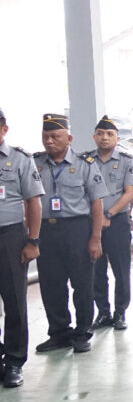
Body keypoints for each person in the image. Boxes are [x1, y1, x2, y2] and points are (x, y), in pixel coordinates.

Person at [33, 113, 104, 354]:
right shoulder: (36, 163)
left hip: (77, 229)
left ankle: (82, 332)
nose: (49, 141)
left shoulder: (85, 164)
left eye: (55, 136)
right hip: (46, 231)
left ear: (69, 138)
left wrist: (95, 239)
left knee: (82, 283)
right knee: (51, 284)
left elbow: (96, 203)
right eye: (46, 137)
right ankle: (59, 332)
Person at [0, 107, 45, 386]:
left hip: (10, 237)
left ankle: (15, 361)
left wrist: (33, 240)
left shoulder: (19, 159)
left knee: (15, 301)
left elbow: (33, 202)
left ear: (4, 129)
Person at [87, 116, 133, 330]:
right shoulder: (86, 161)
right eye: (100, 134)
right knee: (96, 270)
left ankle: (120, 312)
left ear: (117, 138)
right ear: (94, 137)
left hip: (116, 222)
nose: (105, 138)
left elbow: (129, 193)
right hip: (91, 224)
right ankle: (103, 311)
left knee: (120, 269)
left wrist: (108, 214)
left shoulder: (127, 160)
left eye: (110, 134)